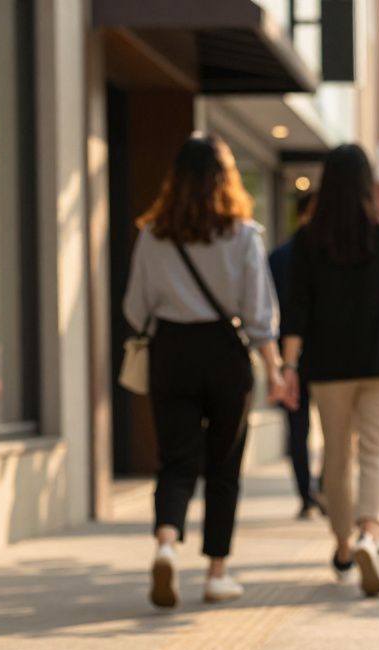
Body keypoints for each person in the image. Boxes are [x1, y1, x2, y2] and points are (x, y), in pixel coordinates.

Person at [122, 134, 285, 608]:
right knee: (223, 466)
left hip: (170, 350)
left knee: (174, 460)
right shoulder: (242, 234)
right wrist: (274, 370)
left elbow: (136, 308)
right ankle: (216, 573)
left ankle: (167, 544)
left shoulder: (152, 235)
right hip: (224, 353)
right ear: (224, 178)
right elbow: (259, 314)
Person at [280, 144, 379, 599]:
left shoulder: (308, 239)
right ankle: (369, 534)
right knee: (378, 452)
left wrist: (287, 366)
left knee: (337, 458)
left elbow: (296, 310)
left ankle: (343, 546)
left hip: (329, 366)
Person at [269, 192, 322, 519]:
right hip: (317, 355)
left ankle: (311, 493)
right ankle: (314, 492)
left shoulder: (277, 256)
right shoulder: (320, 253)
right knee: (323, 427)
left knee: (301, 429)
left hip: (292, 354)